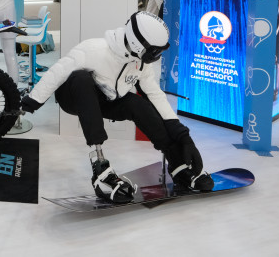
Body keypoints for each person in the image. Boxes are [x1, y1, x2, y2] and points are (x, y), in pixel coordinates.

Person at [20, 11, 214, 202]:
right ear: (139, 44)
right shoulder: (94, 49)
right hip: (73, 97)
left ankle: (178, 164)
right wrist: (33, 100)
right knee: (81, 78)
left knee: (138, 104)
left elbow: (155, 94)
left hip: (107, 98)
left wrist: (182, 135)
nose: (156, 56)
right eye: (155, 51)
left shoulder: (140, 62)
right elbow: (58, 71)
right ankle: (100, 169)